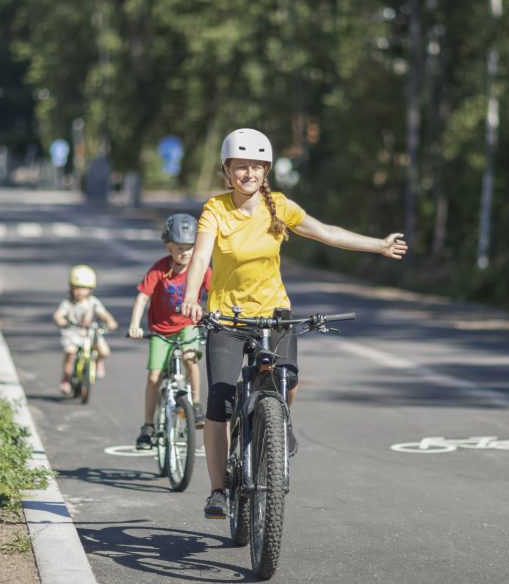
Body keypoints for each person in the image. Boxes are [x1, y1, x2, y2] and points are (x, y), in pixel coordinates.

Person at [179, 128, 407, 519]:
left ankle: (277, 422)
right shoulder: (215, 209)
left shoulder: (279, 207)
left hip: (273, 313)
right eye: (240, 167)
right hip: (228, 317)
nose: (248, 173)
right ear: (227, 170)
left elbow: (326, 233)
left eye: (255, 167)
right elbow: (200, 257)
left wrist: (378, 244)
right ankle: (217, 490)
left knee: (288, 379)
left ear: (266, 171)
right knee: (219, 401)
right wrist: (190, 296)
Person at [128, 213, 212, 449]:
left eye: (189, 248)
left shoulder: (201, 268)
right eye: (179, 248)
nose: (184, 253)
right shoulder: (160, 269)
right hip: (161, 330)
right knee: (154, 376)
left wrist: (213, 319)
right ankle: (148, 426)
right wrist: (135, 325)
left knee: (190, 359)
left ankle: (195, 404)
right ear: (169, 246)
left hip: (187, 325)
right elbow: (142, 297)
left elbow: (215, 293)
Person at [54, 264, 118, 396]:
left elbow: (103, 314)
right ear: (71, 287)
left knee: (104, 351)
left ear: (90, 289)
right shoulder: (68, 303)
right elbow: (58, 315)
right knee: (70, 353)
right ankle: (66, 378)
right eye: (76, 287)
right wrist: (61, 321)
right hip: (73, 332)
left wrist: (110, 322)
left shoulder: (93, 302)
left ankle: (97, 362)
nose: (79, 291)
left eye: (84, 288)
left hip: (90, 333)